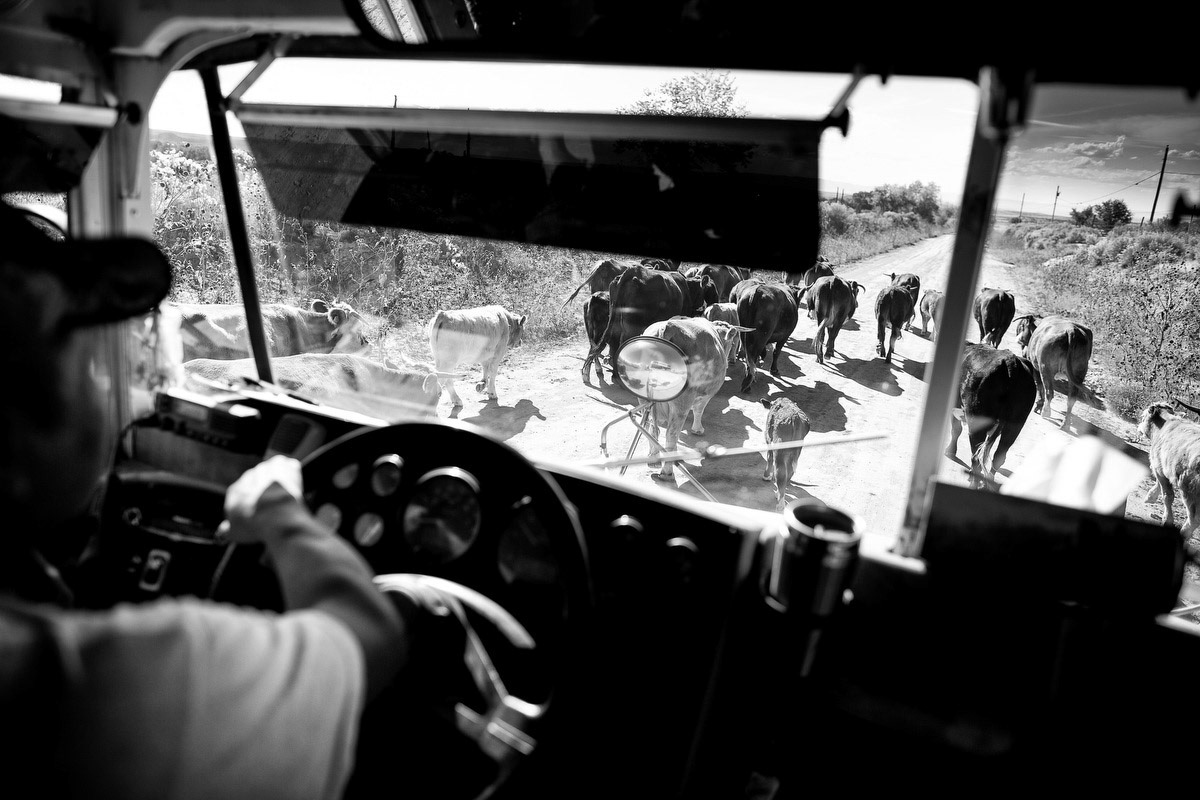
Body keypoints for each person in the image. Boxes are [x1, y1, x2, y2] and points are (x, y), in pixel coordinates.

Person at [0, 201, 407, 799]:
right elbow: (373, 633)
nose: (124, 399)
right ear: (14, 442)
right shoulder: (111, 688)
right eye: (87, 366)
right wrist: (279, 516)